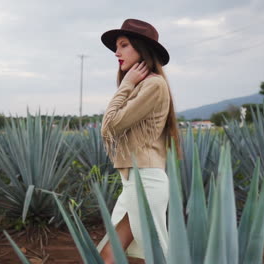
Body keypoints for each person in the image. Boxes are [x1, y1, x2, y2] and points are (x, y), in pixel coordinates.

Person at [97, 18, 182, 263]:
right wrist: (128, 85)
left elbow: (109, 126)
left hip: (146, 181)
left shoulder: (153, 85)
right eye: (117, 46)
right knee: (110, 253)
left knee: (155, 256)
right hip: (135, 181)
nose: (116, 52)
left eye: (123, 45)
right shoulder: (142, 86)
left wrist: (125, 85)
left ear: (141, 49)